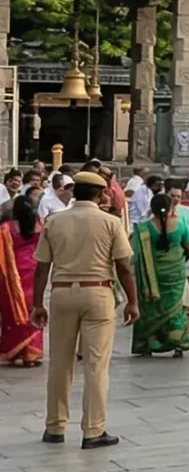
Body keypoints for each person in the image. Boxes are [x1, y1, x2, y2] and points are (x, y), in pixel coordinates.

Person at [35, 173, 138, 447]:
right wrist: (132, 300)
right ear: (99, 194)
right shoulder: (111, 222)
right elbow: (124, 266)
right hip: (98, 292)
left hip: (61, 293)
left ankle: (55, 426)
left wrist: (36, 303)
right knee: (95, 365)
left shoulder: (54, 222)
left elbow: (42, 266)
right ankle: (93, 429)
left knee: (60, 363)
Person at [128, 190, 189, 360]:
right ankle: (178, 343)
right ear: (172, 208)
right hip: (175, 274)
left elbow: (135, 254)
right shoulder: (181, 224)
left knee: (150, 308)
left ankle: (148, 344)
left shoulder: (144, 228)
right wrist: (180, 261)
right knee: (177, 309)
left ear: (152, 209)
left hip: (151, 276)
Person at [0, 193, 41, 367]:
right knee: (33, 308)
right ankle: (31, 354)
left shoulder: (6, 228)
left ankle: (15, 349)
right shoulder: (39, 226)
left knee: (13, 311)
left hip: (12, 275)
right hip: (33, 271)